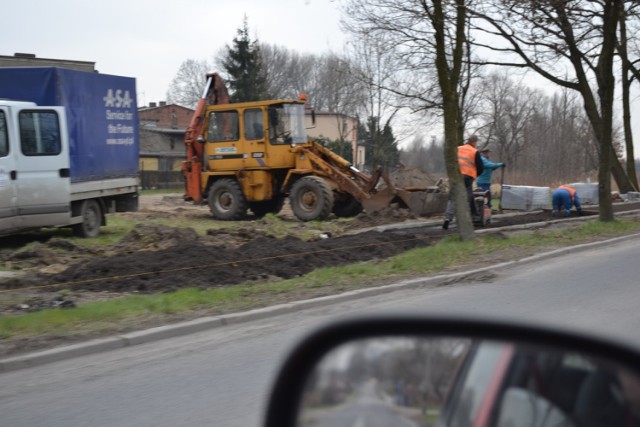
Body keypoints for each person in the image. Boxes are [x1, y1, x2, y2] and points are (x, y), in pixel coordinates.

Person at [443, 134, 484, 230]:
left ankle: (447, 218)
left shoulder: (458, 148)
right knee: (467, 196)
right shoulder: (475, 152)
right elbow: (481, 168)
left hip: (455, 176)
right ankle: (469, 217)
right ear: (474, 142)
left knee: (452, 197)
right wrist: (475, 174)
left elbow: (451, 160)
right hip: (467, 177)